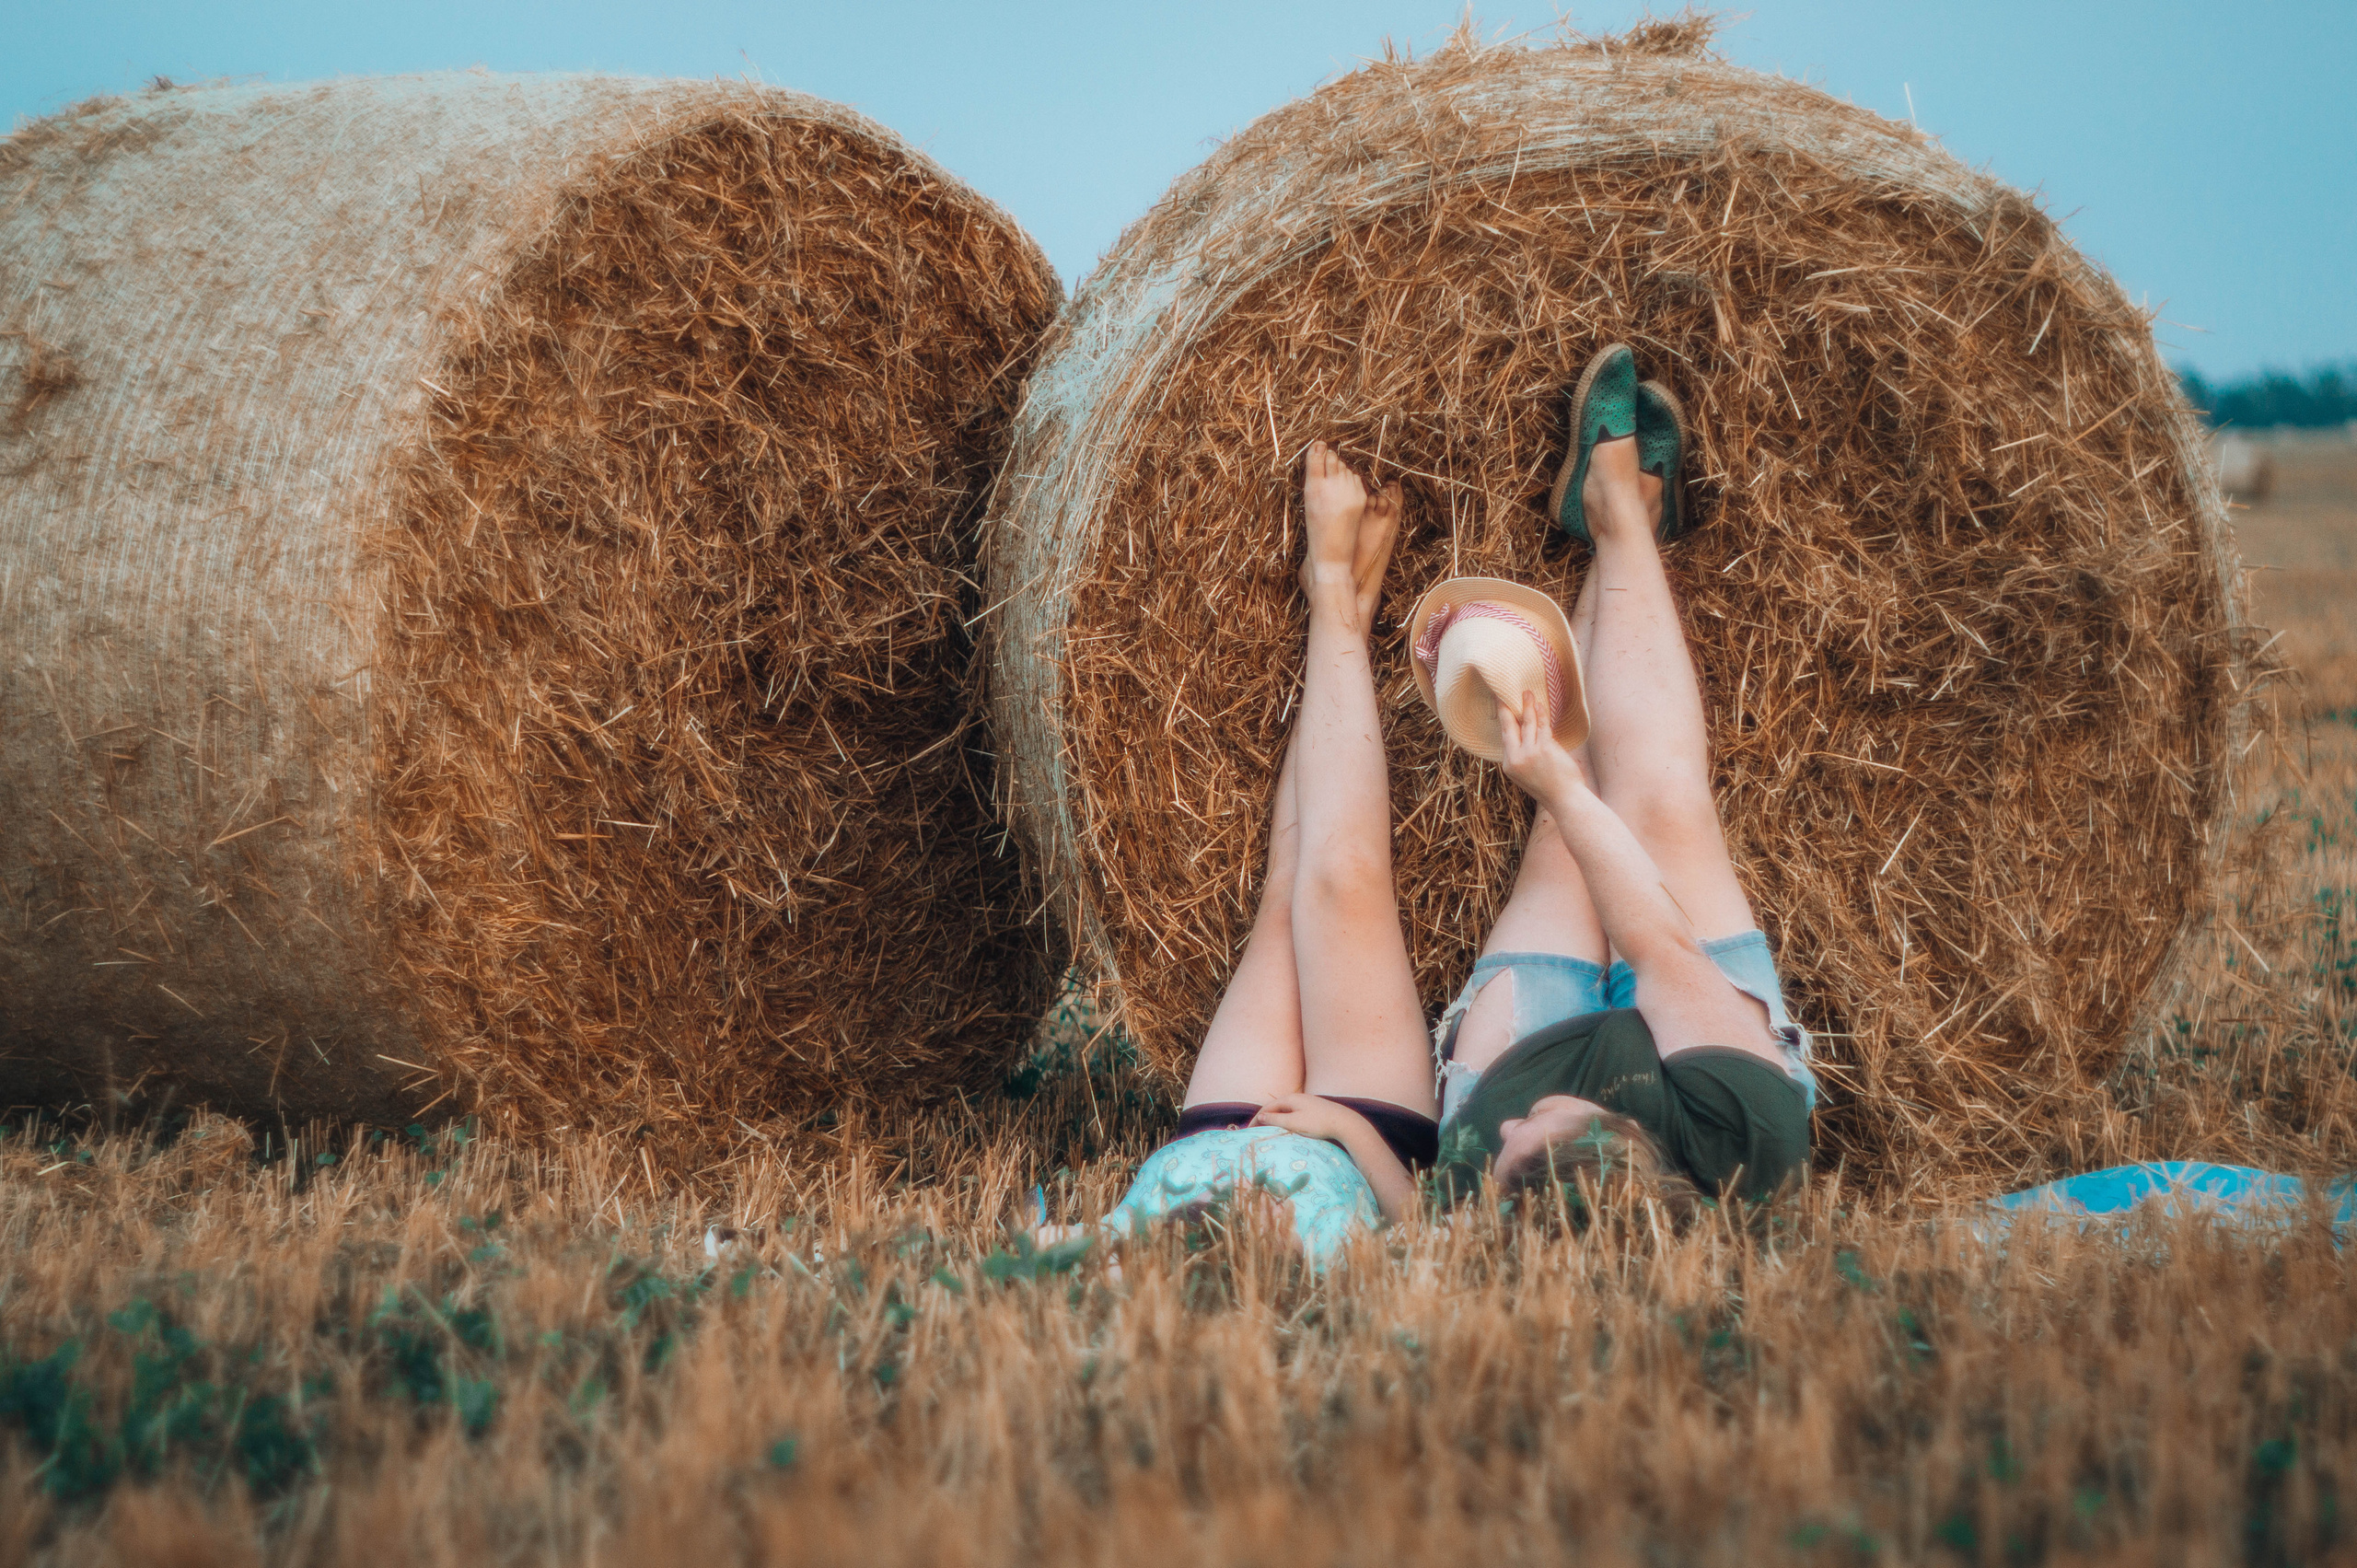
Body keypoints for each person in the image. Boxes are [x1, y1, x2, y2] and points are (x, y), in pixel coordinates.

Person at [1422, 342, 1814, 1212]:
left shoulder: (1482, 1166)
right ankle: (1620, 511)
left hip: (1533, 1046)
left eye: (1504, 1147)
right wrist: (1561, 784)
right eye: (1533, 1137)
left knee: (1565, 844)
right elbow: (1659, 946)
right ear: (1612, 1146)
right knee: (1658, 814)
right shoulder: (1751, 1141)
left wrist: (1557, 793)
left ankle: (1623, 519)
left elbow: (1442, 1200)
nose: (1514, 1129)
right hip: (1709, 1068)